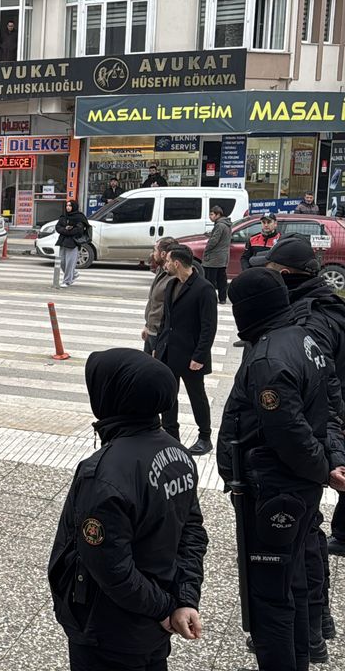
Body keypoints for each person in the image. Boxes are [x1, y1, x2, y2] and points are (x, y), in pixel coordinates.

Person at [48, 348, 207, 671]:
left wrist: (165, 608)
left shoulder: (102, 474)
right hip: (154, 622)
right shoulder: (178, 454)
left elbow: (111, 567)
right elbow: (193, 533)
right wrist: (184, 598)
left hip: (107, 629)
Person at [219, 267, 345, 670]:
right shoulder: (304, 339)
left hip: (273, 488)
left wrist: (323, 468)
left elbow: (289, 433)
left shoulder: (269, 358)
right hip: (296, 487)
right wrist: (331, 461)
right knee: (292, 582)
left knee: (269, 599)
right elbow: (331, 407)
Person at [254, 237, 345, 649]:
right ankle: (316, 625)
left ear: (288, 276)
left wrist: (325, 460)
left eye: (273, 272)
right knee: (307, 534)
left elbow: (322, 392)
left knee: (302, 538)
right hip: (323, 434)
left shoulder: (311, 322)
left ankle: (311, 628)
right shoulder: (327, 306)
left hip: (313, 440)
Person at [153, 246, 217, 456]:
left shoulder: (204, 289)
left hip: (191, 355)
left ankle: (205, 437)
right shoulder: (172, 284)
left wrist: (199, 356)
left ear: (177, 263)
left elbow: (209, 327)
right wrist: (157, 347)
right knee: (168, 396)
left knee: (197, 396)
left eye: (168, 261)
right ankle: (171, 435)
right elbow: (165, 320)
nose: (165, 264)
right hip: (168, 352)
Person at [141, 237, 178, 355]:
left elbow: (169, 311)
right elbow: (153, 302)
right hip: (151, 330)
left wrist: (161, 341)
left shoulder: (173, 277)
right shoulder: (160, 270)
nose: (153, 254)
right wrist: (147, 325)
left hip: (159, 334)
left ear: (163, 254)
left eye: (155, 250)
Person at [201, 206, 232, 305]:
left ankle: (210, 298)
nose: (210, 217)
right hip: (223, 257)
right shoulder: (227, 224)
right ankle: (222, 298)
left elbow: (214, 240)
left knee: (210, 280)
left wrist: (206, 249)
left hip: (214, 258)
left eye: (212, 214)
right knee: (221, 279)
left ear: (218, 214)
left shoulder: (219, 225)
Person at [55, 200, 89, 288]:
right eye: (67, 205)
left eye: (70, 205)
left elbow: (79, 230)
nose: (68, 207)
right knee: (62, 263)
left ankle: (67, 281)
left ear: (74, 206)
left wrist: (66, 231)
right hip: (63, 241)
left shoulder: (79, 217)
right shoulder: (64, 216)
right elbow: (58, 227)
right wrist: (65, 230)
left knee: (70, 263)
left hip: (73, 242)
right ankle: (73, 274)